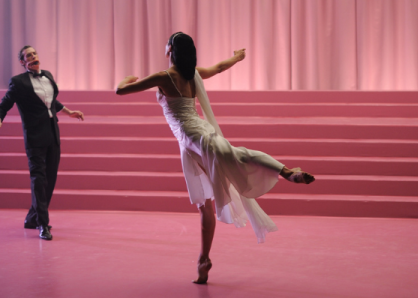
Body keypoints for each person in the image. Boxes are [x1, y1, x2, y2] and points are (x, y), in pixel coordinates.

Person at [115, 32, 315, 284]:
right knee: (211, 191)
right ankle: (203, 259)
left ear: (170, 50)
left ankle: (286, 172)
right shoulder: (192, 73)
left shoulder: (165, 76)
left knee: (229, 166)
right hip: (194, 138)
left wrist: (128, 78)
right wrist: (236, 58)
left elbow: (120, 90)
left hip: (193, 138)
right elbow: (219, 68)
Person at [0, 45, 85, 241]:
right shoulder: (18, 82)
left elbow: (51, 102)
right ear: (23, 62)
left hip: (52, 133)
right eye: (28, 55)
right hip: (34, 137)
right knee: (38, 180)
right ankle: (43, 224)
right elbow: (4, 104)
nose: (33, 57)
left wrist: (69, 112)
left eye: (34, 54)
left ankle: (32, 218)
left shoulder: (48, 75)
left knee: (49, 180)